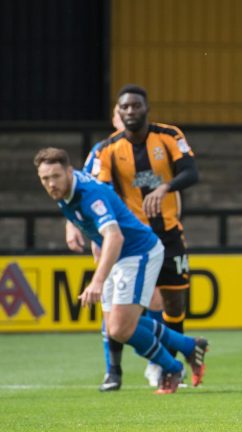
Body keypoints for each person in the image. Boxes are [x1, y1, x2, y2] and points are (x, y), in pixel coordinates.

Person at [34, 147, 207, 394]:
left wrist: (97, 281)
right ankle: (189, 346)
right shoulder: (64, 192)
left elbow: (114, 237)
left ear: (69, 172)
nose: (51, 183)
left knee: (119, 329)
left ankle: (171, 367)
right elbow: (94, 229)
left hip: (137, 253)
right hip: (117, 255)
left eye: (55, 176)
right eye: (45, 179)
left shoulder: (89, 195)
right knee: (117, 324)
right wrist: (73, 226)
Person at [92, 85, 200, 390]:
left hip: (168, 234)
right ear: (118, 111)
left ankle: (167, 366)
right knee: (116, 306)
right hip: (132, 242)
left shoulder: (168, 136)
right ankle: (114, 371)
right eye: (124, 107)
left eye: (135, 106)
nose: (130, 112)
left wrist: (165, 188)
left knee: (174, 302)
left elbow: (192, 172)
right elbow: (100, 193)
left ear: (146, 108)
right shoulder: (108, 150)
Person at [65, 103, 169, 390]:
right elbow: (75, 189)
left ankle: (156, 363)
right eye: (120, 112)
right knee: (109, 303)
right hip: (108, 237)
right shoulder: (102, 152)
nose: (126, 117)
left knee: (155, 300)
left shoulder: (151, 150)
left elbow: (163, 183)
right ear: (114, 118)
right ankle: (113, 370)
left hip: (140, 238)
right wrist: (72, 224)